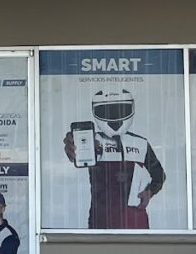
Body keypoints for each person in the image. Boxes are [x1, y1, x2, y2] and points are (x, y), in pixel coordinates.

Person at [62, 89, 166, 229]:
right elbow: (73, 152)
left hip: (136, 222)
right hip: (102, 223)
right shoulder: (94, 140)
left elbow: (159, 175)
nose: (114, 116)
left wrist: (150, 192)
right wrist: (73, 145)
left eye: (119, 110)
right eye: (107, 111)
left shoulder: (140, 143)